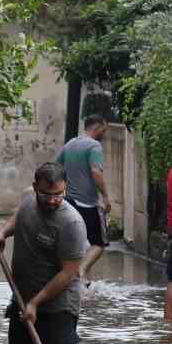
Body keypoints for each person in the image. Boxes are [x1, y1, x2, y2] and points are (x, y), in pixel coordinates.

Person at [0, 162, 89, 344]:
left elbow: (69, 273)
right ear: (35, 188)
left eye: (58, 195)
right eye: (46, 194)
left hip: (58, 308)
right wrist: (1, 233)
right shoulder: (29, 200)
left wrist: (36, 303)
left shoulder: (71, 223)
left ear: (65, 189)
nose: (52, 200)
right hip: (22, 302)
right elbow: (20, 215)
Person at [55, 114, 113, 281]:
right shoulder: (94, 146)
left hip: (69, 202)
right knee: (99, 244)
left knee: (78, 243)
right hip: (87, 203)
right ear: (97, 128)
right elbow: (96, 172)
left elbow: (56, 168)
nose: (105, 134)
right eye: (104, 130)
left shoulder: (70, 144)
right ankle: (80, 272)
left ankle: (82, 280)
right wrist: (106, 197)